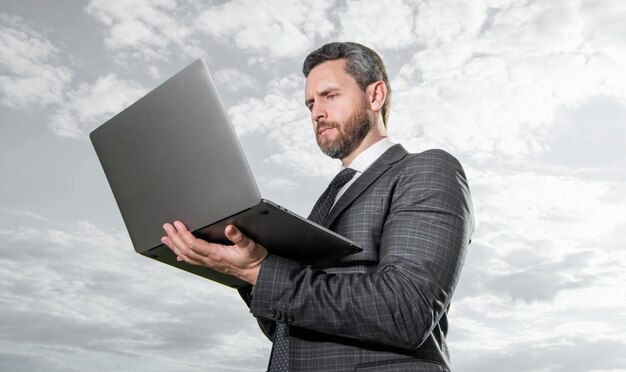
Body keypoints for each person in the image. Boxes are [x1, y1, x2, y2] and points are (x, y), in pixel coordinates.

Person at [161, 42, 474, 372]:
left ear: (376, 96)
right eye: (310, 103)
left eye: (330, 96)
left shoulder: (426, 170)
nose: (316, 112)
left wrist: (259, 271)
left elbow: (406, 310)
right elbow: (289, 331)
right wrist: (239, 267)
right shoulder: (328, 201)